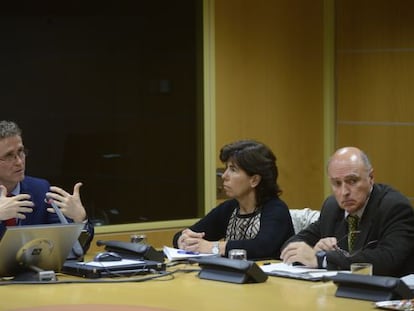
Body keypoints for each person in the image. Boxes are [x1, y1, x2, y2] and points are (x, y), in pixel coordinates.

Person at [280, 146, 414, 277]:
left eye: (352, 181)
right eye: (337, 183)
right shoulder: (332, 207)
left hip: (388, 295)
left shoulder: (394, 207)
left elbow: (387, 260)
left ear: (371, 178)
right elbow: (291, 245)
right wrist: (313, 250)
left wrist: (323, 259)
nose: (344, 192)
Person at [173, 139, 294, 260]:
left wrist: (212, 247)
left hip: (269, 277)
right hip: (232, 276)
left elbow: (262, 246)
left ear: (254, 180)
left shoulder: (276, 209)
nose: (224, 176)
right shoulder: (229, 208)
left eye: (233, 169)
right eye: (226, 168)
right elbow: (191, 232)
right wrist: (182, 240)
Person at [0, 120, 94, 253]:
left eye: (21, 152)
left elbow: (74, 252)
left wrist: (79, 220)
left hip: (32, 273)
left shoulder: (40, 189)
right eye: (9, 156)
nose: (19, 162)